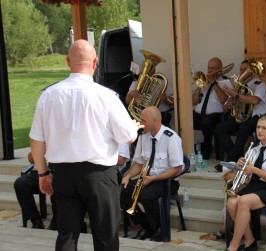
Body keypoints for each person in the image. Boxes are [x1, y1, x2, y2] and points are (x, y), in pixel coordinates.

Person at [29, 39, 142, 251]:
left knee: (67, 235)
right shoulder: (107, 96)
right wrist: (134, 129)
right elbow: (127, 136)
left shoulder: (48, 95)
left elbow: (36, 139)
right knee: (106, 238)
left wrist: (43, 173)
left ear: (67, 61)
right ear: (96, 62)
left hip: (63, 174)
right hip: (99, 175)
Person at [225, 115, 266, 251]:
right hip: (253, 186)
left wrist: (255, 170)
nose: (259, 131)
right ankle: (250, 240)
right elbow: (246, 173)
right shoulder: (254, 148)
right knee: (231, 203)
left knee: (243, 201)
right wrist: (240, 167)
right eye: (258, 127)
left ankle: (233, 246)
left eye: (264, 128)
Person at [120, 106, 184, 242]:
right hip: (147, 178)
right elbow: (138, 163)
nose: (141, 123)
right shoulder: (143, 137)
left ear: (155, 120)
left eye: (144, 120)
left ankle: (158, 227)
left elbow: (177, 168)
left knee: (144, 195)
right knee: (122, 191)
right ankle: (145, 224)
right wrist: (127, 176)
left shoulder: (171, 138)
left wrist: (153, 178)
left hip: (166, 181)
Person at [214, 59, 266, 171]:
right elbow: (229, 106)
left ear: (253, 71)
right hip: (241, 116)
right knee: (219, 128)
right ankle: (237, 158)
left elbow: (254, 100)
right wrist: (231, 103)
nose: (243, 72)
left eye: (246, 70)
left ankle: (230, 160)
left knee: (244, 128)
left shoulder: (260, 84)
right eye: (241, 70)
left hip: (257, 117)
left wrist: (236, 95)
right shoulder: (239, 86)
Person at [192, 57, 229, 160]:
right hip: (199, 114)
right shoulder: (204, 82)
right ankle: (187, 149)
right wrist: (199, 87)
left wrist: (214, 83)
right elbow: (193, 102)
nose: (209, 70)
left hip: (216, 116)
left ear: (220, 69)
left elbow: (223, 99)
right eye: (208, 68)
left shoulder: (224, 81)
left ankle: (207, 148)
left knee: (206, 122)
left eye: (212, 68)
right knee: (184, 119)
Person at [14, 152, 58, 230]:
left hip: (57, 173)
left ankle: (57, 220)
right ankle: (35, 219)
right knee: (20, 183)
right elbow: (31, 160)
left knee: (58, 184)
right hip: (39, 173)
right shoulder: (40, 140)